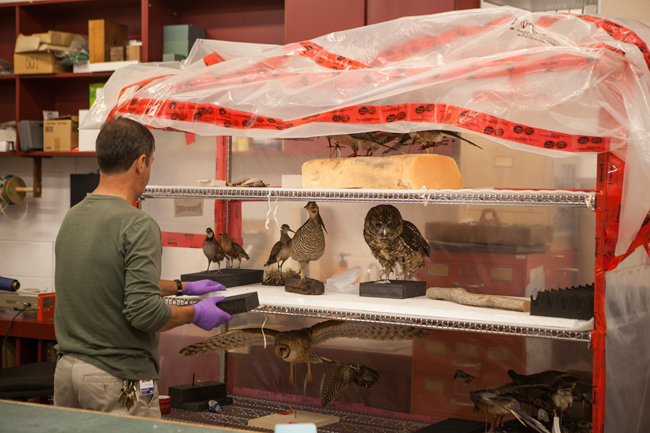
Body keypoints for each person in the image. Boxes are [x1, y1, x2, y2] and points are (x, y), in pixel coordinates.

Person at [53, 117, 232, 418]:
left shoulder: (74, 216)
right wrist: (195, 313)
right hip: (116, 378)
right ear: (140, 163)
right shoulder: (138, 224)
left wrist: (180, 287)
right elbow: (144, 313)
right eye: (151, 162)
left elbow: (107, 278)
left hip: (68, 374)